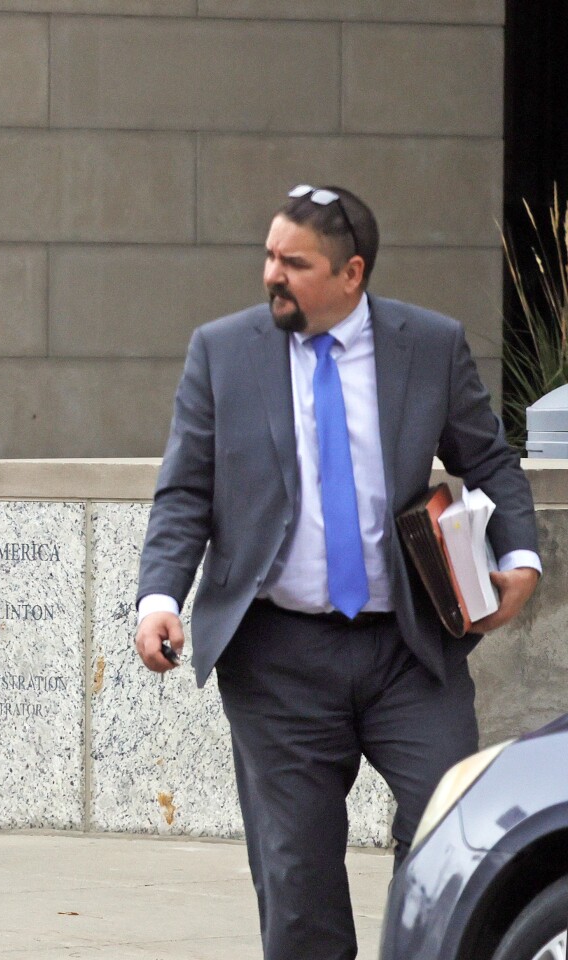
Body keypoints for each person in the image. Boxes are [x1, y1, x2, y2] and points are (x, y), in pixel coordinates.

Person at [134, 184, 541, 959]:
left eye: (295, 263)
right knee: (298, 880)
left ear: (352, 273)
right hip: (277, 658)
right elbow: (185, 491)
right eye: (268, 257)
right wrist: (160, 597)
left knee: (451, 840)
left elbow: (488, 458)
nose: (272, 275)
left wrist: (520, 559)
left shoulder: (428, 344)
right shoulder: (222, 352)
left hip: (410, 650)